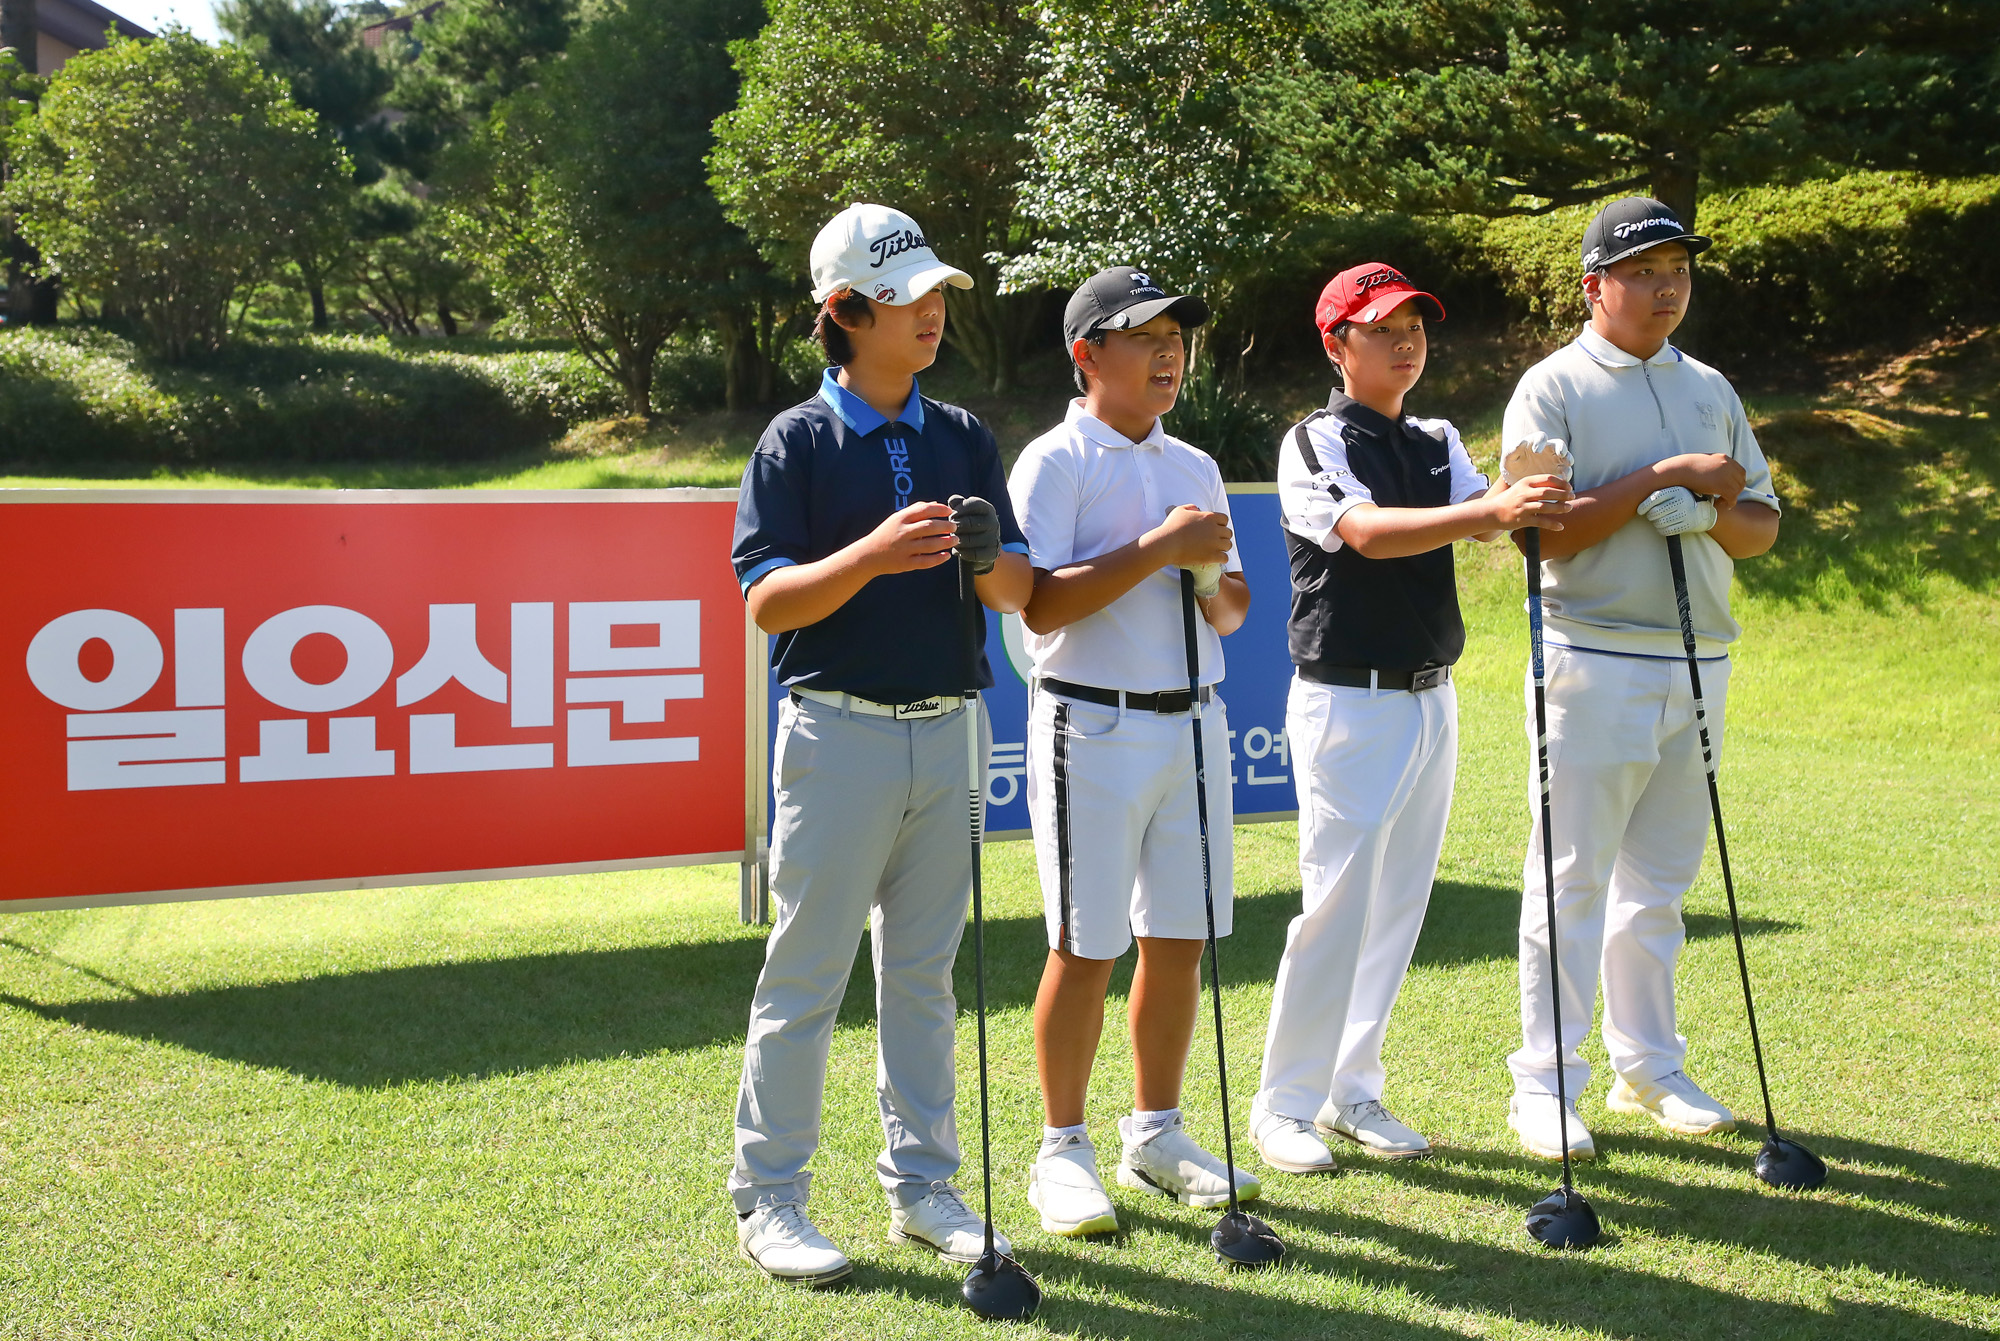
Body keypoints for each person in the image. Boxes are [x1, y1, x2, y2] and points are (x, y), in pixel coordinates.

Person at [728, 203, 1035, 1285]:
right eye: (907, 298)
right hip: (838, 731)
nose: (931, 314)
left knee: (923, 976)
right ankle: (770, 1197)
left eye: (936, 294)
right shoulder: (796, 440)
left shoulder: (963, 436)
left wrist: (990, 555)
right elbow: (767, 602)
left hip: (950, 730)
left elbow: (1016, 593)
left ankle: (923, 1187)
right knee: (806, 974)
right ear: (846, 312)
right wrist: (867, 555)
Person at [1247, 264, 1573, 1174]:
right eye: (1382, 326)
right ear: (1337, 343)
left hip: (1433, 695)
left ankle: (1352, 1089)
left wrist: (1524, 493)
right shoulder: (1313, 440)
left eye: (1415, 326)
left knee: (1397, 906)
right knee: (1335, 908)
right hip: (1347, 699)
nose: (1405, 340)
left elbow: (1484, 518)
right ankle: (1284, 1105)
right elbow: (1365, 532)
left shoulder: (1435, 438)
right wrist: (1489, 509)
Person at [1500, 197, 1782, 1162]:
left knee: (1659, 884)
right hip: (1591, 654)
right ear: (1595, 286)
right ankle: (1543, 1083)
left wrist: (1707, 513)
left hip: (1699, 659)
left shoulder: (1710, 385)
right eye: (1644, 272)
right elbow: (1539, 533)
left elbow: (1760, 524)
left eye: (1679, 272)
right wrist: (1659, 479)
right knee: (1570, 877)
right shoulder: (1552, 386)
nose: (1668, 288)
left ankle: (1649, 1066)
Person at [1005, 266, 1258, 1238]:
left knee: (1180, 938)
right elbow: (1039, 603)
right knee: (1085, 946)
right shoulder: (1054, 461)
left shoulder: (1194, 464)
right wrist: (1160, 549)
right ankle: (1061, 1150)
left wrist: (1203, 572)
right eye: (1145, 337)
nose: (1168, 354)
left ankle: (1155, 1133)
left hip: (1193, 720)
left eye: (1176, 338)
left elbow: (1232, 610)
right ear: (1087, 354)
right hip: (1088, 722)